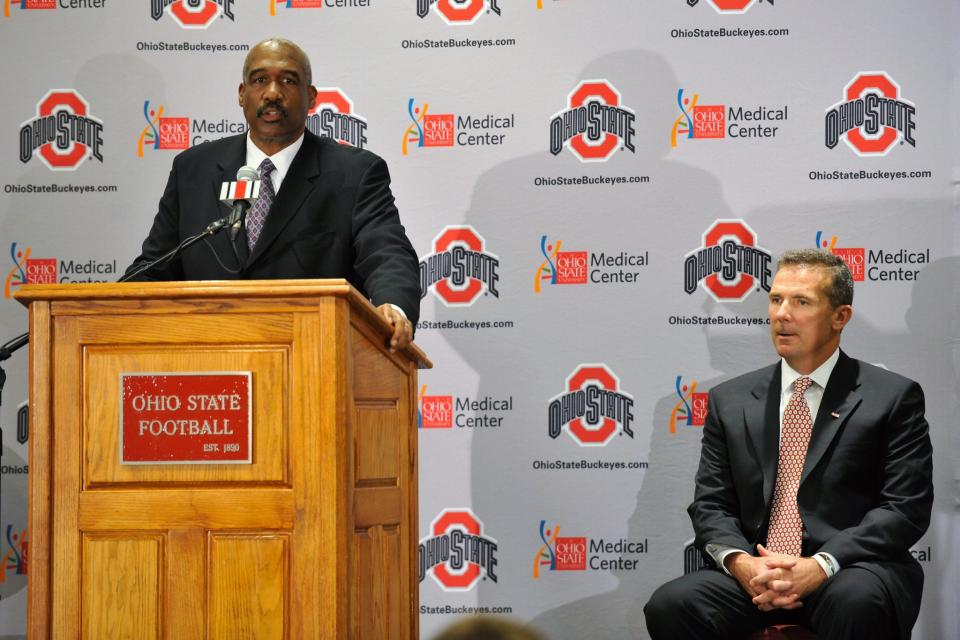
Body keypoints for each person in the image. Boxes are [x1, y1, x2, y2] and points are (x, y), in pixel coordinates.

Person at [644, 249, 933, 639]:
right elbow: (711, 503)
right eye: (776, 299)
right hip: (757, 573)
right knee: (672, 604)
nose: (782, 314)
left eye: (801, 302)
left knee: (857, 600)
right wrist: (743, 564)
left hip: (850, 569)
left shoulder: (892, 397)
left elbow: (904, 509)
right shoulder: (730, 400)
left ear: (839, 317)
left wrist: (821, 565)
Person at [124, 38, 419, 351]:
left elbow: (387, 252)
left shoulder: (354, 173)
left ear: (311, 97)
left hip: (312, 358)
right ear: (242, 94)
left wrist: (393, 306)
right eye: (260, 80)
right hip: (209, 362)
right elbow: (155, 266)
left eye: (288, 81)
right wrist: (108, 308)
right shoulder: (193, 169)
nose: (273, 93)